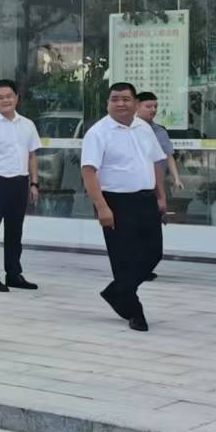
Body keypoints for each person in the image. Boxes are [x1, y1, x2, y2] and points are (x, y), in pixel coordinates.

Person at [81, 83, 168, 332]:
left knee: (153, 253)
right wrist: (102, 207)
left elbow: (156, 163)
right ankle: (134, 311)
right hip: (116, 202)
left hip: (146, 199)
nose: (120, 103)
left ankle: (116, 291)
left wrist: (161, 197)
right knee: (124, 260)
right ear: (108, 103)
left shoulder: (144, 128)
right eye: (115, 99)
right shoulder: (99, 132)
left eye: (126, 99)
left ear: (135, 103)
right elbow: (88, 172)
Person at [0, 79, 41, 293]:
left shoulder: (27, 124)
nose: (5, 100)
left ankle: (13, 274)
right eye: (0, 97)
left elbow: (32, 156)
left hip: (20, 182)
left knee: (15, 231)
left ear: (17, 98)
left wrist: (34, 183)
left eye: (9, 96)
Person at [135, 92, 179, 281]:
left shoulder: (159, 131)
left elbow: (168, 156)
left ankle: (145, 266)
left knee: (153, 229)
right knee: (138, 229)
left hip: (157, 185)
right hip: (138, 187)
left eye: (155, 106)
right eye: (148, 106)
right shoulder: (130, 130)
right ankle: (138, 268)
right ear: (137, 106)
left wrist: (176, 178)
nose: (153, 110)